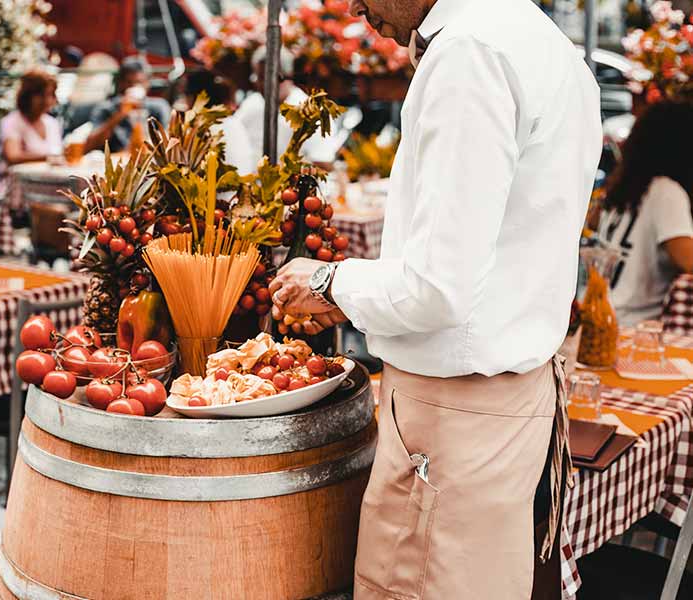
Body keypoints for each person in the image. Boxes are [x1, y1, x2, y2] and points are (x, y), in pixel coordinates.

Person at [268, 0, 602, 598]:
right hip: (503, 406)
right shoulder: (539, 40)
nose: (354, 7)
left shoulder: (472, 50)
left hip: (456, 421)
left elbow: (437, 289)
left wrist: (328, 282)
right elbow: (484, 260)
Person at [598, 101, 693, 326]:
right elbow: (688, 260)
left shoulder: (624, 188)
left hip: (601, 319)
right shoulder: (666, 192)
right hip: (633, 331)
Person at [84, 57, 171, 153]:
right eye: (129, 83)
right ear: (120, 84)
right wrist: (119, 115)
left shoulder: (159, 107)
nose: (133, 87)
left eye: (139, 82)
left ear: (147, 83)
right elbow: (90, 146)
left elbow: (169, 141)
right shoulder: (106, 108)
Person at [0, 69, 63, 169]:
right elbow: (12, 157)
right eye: (42, 95)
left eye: (51, 95)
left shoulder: (52, 123)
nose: (47, 100)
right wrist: (50, 157)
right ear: (27, 96)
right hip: (18, 182)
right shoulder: (12, 122)